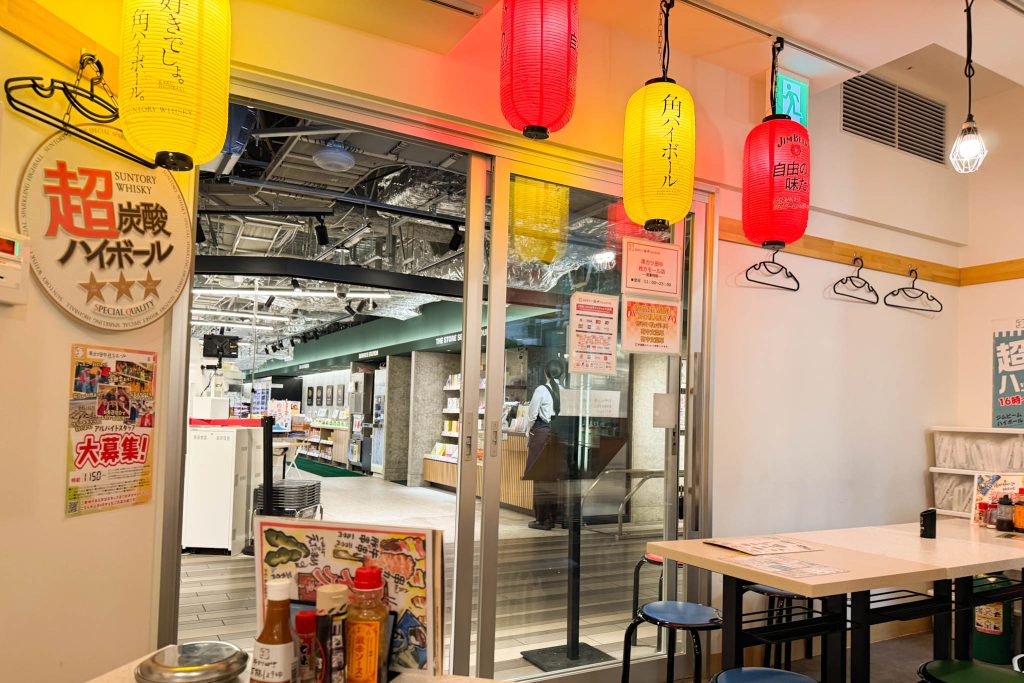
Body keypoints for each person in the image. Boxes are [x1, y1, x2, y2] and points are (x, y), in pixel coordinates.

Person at [524, 359, 563, 530]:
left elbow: (532, 415)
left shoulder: (541, 389)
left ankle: (542, 519)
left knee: (540, 477)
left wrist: (527, 433)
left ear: (545, 373)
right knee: (553, 478)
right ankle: (553, 517)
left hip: (542, 434)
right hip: (558, 436)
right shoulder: (565, 390)